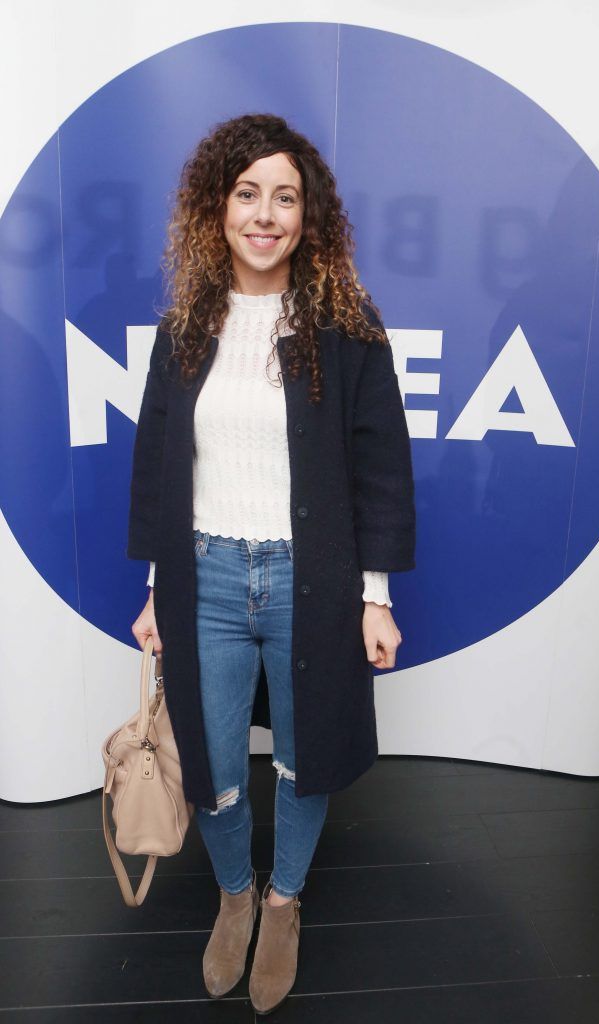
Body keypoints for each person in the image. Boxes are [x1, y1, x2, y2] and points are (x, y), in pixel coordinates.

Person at [128, 112, 416, 1014]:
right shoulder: (185, 325)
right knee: (212, 759)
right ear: (217, 209)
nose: (265, 214)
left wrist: (375, 597)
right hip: (204, 577)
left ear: (308, 215)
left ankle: (283, 903)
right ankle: (235, 897)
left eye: (284, 197)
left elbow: (378, 470)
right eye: (247, 194)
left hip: (312, 579)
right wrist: (154, 590)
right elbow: (161, 464)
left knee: (303, 758)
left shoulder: (347, 325)